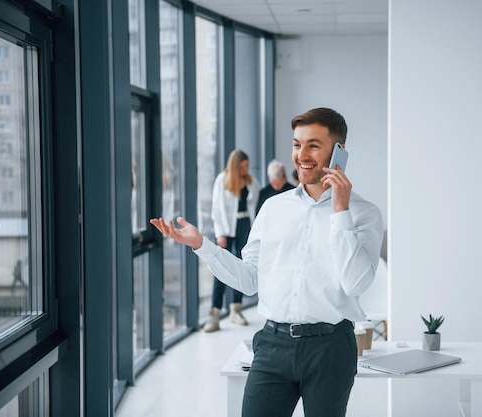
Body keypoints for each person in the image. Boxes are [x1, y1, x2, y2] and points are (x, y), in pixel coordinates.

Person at [150, 107, 383, 417]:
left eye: (314, 144)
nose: (302, 154)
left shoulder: (364, 213)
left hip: (331, 348)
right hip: (273, 346)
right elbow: (249, 279)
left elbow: (356, 283)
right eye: (297, 144)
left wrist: (340, 211)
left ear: (339, 151)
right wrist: (200, 245)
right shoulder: (273, 208)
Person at [206, 149, 260, 332]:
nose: (246, 169)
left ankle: (236, 310)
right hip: (226, 229)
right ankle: (214, 314)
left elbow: (255, 202)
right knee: (221, 267)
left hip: (245, 224)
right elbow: (216, 208)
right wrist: (220, 233)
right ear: (235, 165)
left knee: (241, 267)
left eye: (247, 166)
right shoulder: (222, 180)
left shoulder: (250, 181)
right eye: (243, 166)